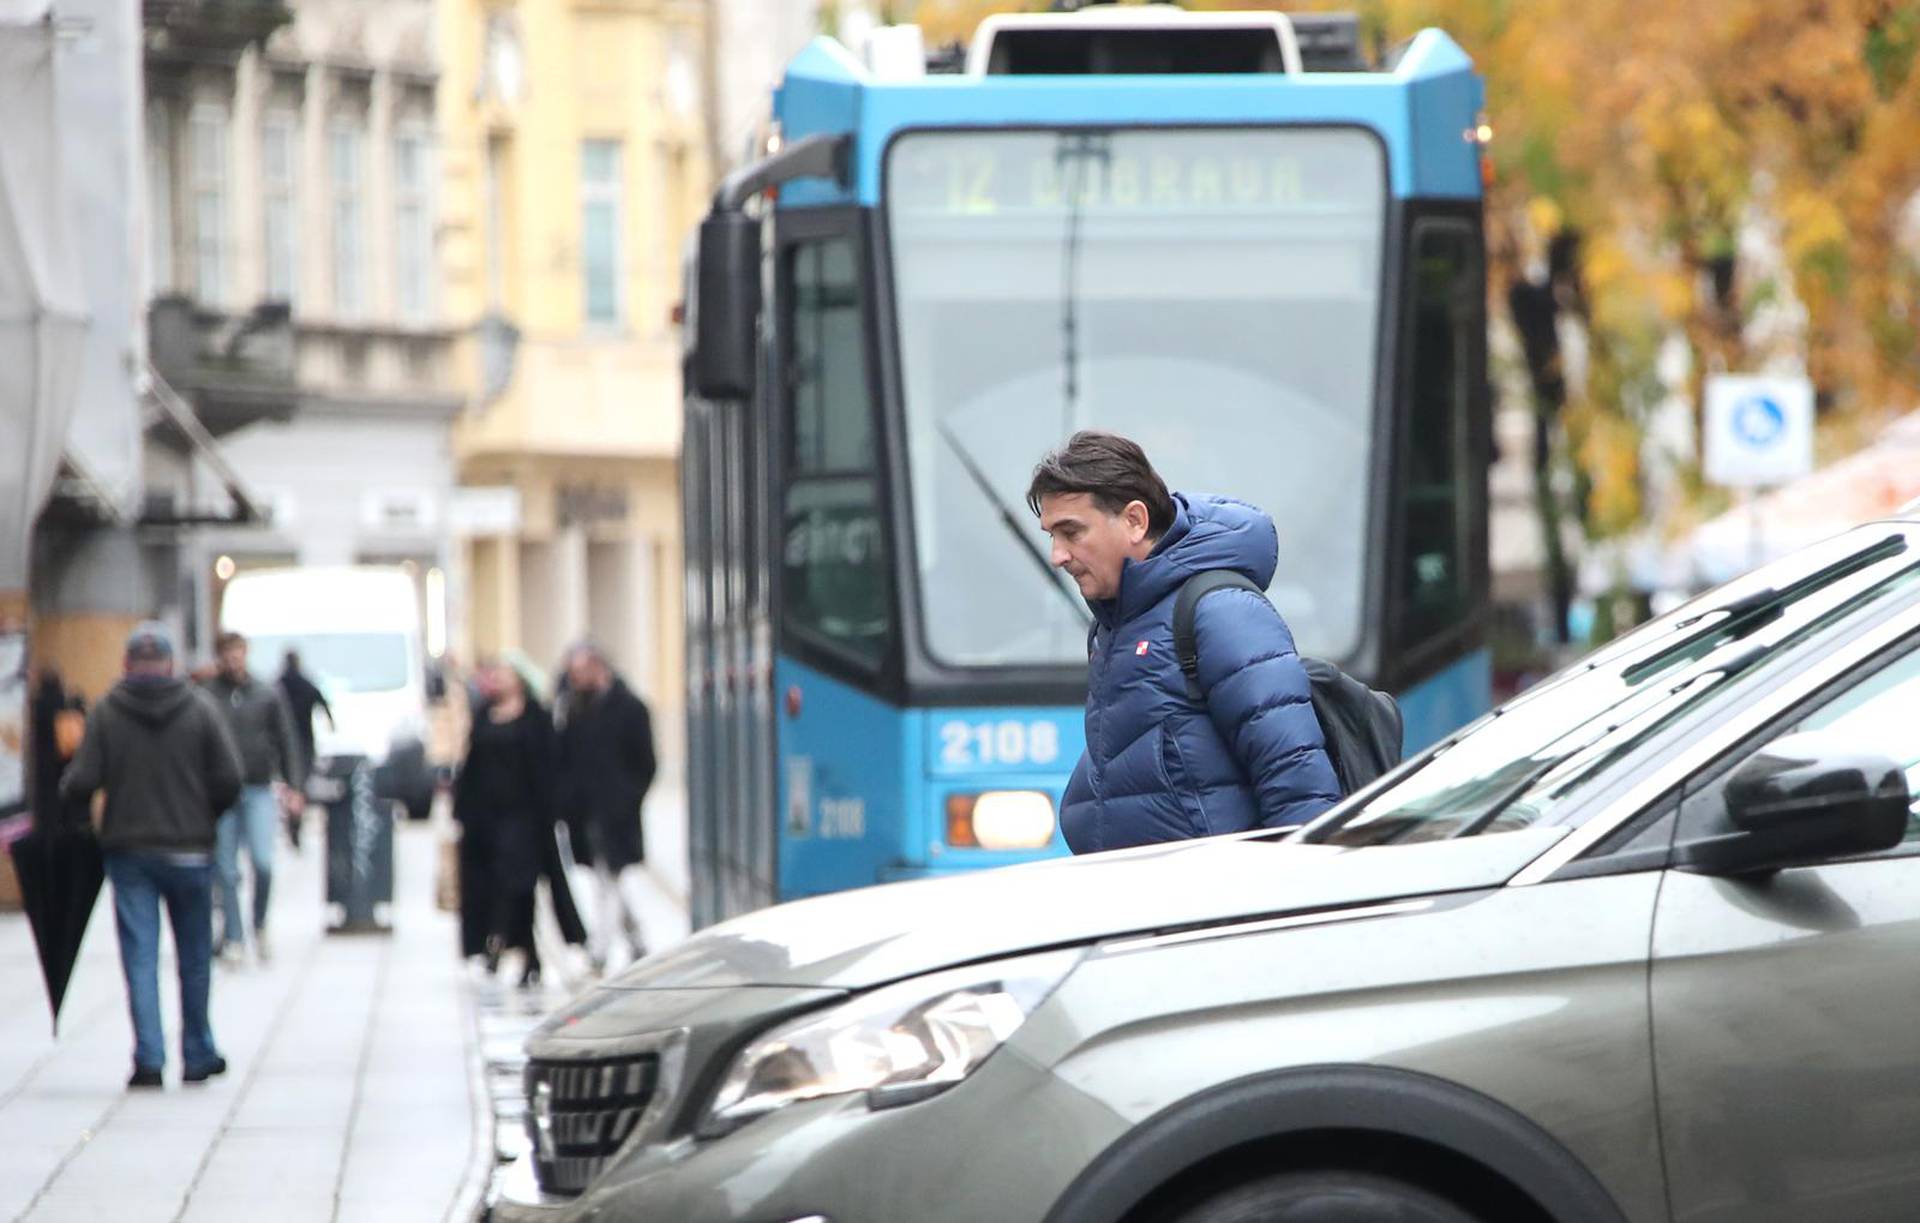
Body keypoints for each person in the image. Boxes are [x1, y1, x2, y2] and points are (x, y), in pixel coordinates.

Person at [1027, 430, 1341, 853]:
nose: (1057, 556)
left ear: (1135, 520)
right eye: (1051, 535)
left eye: (1071, 532)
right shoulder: (1115, 625)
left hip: (1220, 905)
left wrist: (1293, 901)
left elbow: (1298, 782)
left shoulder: (1220, 611)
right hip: (1155, 900)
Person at [61, 622, 243, 1088]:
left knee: (140, 955)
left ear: (126, 665)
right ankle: (198, 1051)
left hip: (130, 851)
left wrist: (82, 814)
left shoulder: (107, 712)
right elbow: (229, 779)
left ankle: (149, 1057)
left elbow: (80, 782)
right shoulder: (200, 709)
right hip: (190, 851)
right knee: (194, 956)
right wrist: (204, 817)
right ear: (171, 664)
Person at [454, 654, 565, 987]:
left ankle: (499, 945)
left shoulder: (536, 718)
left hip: (526, 819)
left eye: (505, 674)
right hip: (489, 820)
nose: (498, 680)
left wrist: (554, 810)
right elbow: (470, 768)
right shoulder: (485, 716)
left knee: (518, 885)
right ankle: (529, 955)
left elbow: (549, 767)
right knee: (499, 886)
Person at [203, 631, 304, 964]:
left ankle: (259, 923)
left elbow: (286, 739)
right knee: (226, 869)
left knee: (263, 862)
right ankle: (234, 935)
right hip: (221, 794)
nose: (233, 660)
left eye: (238, 653)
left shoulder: (265, 694)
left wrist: (294, 786)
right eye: (227, 654)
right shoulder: (207, 696)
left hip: (259, 787)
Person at [555, 643, 657, 972]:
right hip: (586, 812)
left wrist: (628, 797)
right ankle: (638, 940)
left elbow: (646, 763)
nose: (575, 680)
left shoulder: (630, 708)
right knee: (608, 878)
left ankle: (600, 949)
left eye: (580, 672)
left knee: (608, 880)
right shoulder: (574, 709)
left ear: (598, 667)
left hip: (617, 812)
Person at [276, 649, 333, 849]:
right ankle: (296, 818)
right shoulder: (305, 683)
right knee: (300, 786)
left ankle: (292, 819)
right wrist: (331, 725)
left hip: (284, 743)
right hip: (304, 741)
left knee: (290, 785)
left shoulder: (279, 685)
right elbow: (323, 703)